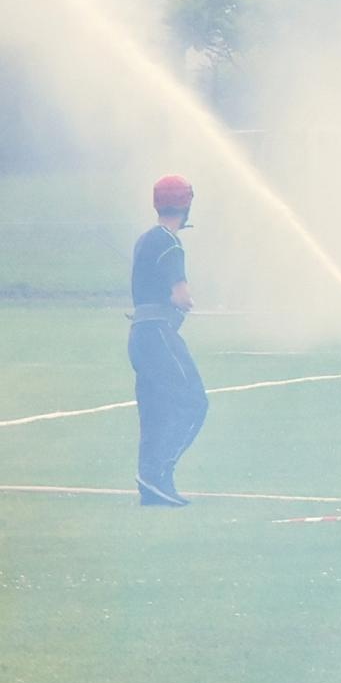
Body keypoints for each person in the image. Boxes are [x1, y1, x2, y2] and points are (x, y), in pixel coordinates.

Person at [128, 175, 208, 507]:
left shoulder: (145, 239)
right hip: (160, 333)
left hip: (139, 337)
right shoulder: (170, 243)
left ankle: (151, 484)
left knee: (155, 409)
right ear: (186, 205)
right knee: (193, 402)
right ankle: (160, 473)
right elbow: (180, 295)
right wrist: (188, 301)